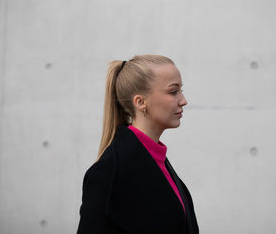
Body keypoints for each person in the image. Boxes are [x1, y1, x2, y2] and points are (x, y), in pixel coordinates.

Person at [77, 55, 199, 234]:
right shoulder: (109, 172)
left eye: (181, 90)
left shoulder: (157, 160)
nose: (183, 100)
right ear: (140, 102)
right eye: (173, 91)